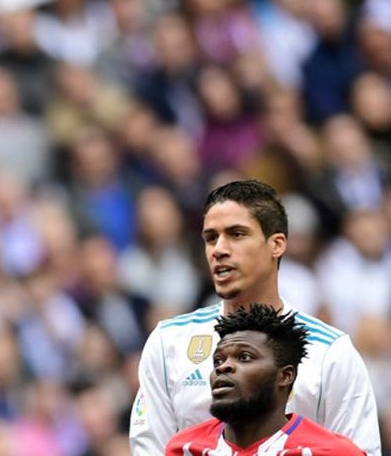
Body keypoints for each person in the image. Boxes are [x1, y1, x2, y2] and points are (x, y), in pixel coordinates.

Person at [129, 179, 380, 455]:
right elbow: (150, 449)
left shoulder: (330, 351)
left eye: (236, 234)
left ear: (277, 244)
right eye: (211, 238)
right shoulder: (169, 342)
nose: (219, 249)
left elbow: (360, 450)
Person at [165, 304, 365, 456]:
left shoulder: (331, 452)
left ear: (285, 376)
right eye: (218, 360)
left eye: (244, 357)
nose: (223, 367)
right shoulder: (183, 448)